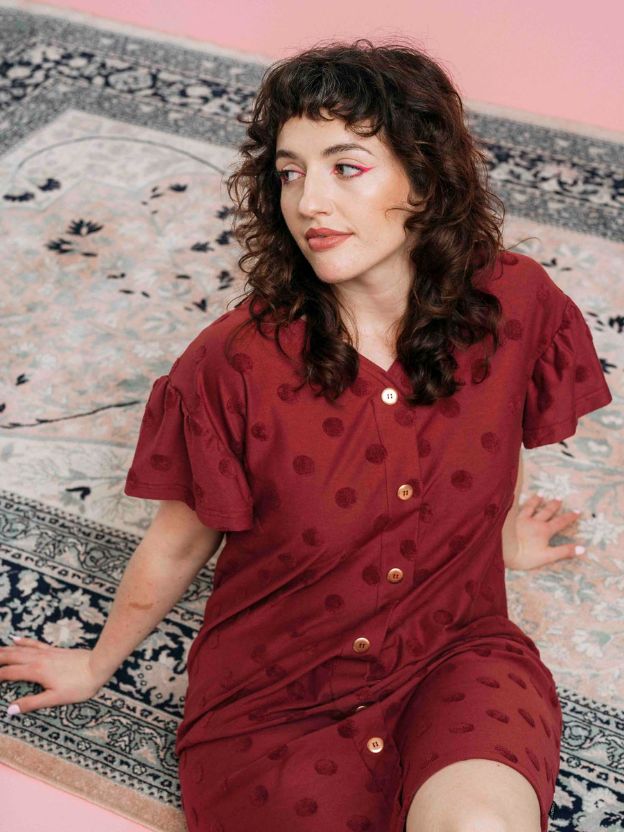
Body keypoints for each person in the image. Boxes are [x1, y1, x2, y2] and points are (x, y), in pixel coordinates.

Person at [1, 38, 612, 832]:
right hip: (278, 701)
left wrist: (495, 541)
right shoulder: (232, 365)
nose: (309, 203)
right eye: (291, 173)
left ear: (424, 177)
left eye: (345, 167)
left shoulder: (516, 303)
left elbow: (500, 431)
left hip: (455, 653)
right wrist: (96, 662)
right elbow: (179, 542)